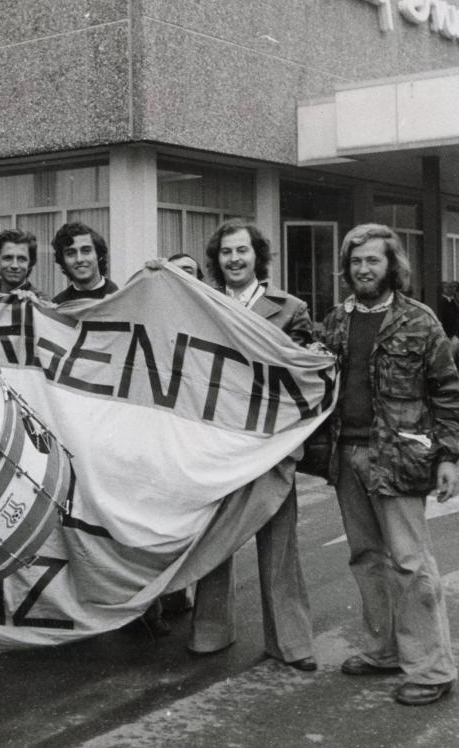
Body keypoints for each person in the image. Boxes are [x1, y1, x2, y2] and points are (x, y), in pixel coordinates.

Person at [308, 223, 459, 707]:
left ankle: (432, 669)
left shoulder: (418, 321)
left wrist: (448, 456)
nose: (363, 269)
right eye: (356, 261)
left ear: (391, 265)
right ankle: (383, 651)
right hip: (347, 455)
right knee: (366, 559)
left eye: (372, 260)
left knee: (410, 563)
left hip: (399, 459)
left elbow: (448, 392)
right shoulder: (334, 321)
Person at [189, 220, 316, 669]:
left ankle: (291, 642)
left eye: (242, 251)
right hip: (218, 442)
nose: (234, 260)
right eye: (226, 253)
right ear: (217, 258)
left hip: (269, 444)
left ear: (257, 255)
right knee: (214, 539)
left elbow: (306, 373)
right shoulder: (202, 303)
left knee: (279, 543)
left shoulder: (291, 308)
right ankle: (210, 632)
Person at [51, 222, 117, 304]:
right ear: (63, 261)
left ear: (99, 255)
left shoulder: (120, 299)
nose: (79, 259)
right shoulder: (57, 306)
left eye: (86, 251)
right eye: (70, 253)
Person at [0, 229, 47, 298]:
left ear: (30, 264)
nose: (14, 265)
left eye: (22, 259)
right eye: (8, 258)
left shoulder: (41, 301)